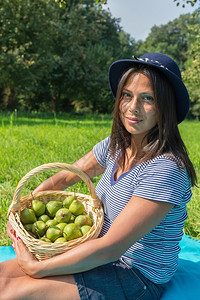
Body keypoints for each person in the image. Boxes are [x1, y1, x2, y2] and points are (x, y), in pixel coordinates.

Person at [1, 53, 197, 300]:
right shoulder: (117, 144)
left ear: (165, 107)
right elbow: (64, 178)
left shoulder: (165, 170)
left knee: (10, 293)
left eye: (148, 99)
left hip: (134, 275)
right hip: (95, 254)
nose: (133, 107)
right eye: (127, 95)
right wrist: (25, 203)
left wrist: (37, 268)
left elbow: (112, 248)